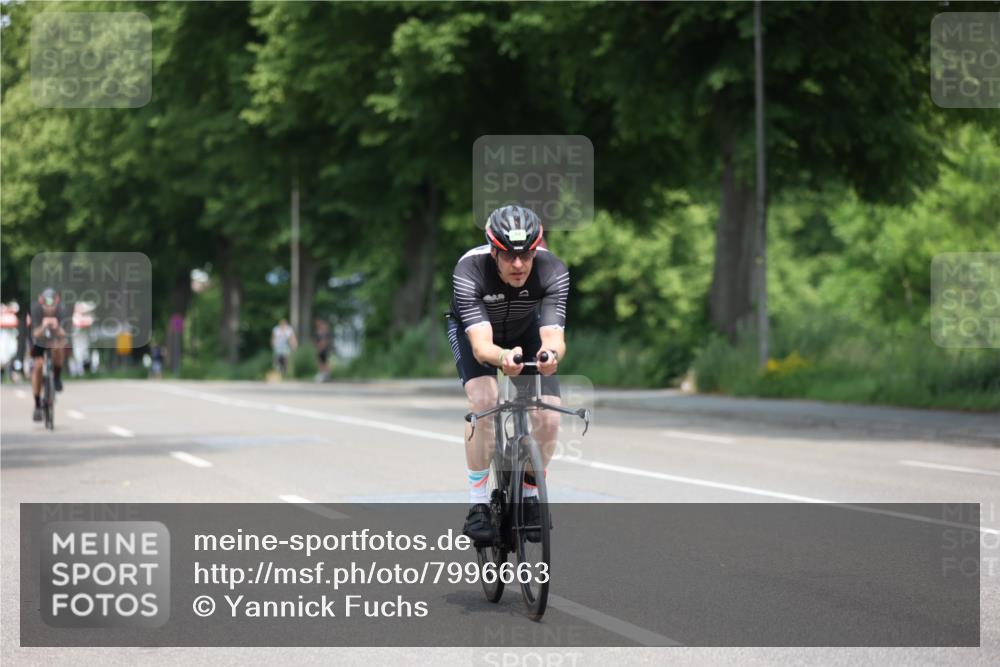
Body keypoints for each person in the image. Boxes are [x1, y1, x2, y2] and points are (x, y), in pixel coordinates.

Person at [448, 205, 569, 543]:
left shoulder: (552, 269)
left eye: (526, 254)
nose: (519, 264)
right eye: (508, 256)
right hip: (478, 336)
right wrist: (503, 358)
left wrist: (549, 356)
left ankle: (530, 491)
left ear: (537, 249)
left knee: (549, 415)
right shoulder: (469, 270)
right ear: (492, 250)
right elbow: (482, 346)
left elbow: (554, 338)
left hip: (524, 330)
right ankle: (477, 506)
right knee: (485, 399)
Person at [29, 288, 71, 422]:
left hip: (55, 340)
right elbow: (34, 334)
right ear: (41, 303)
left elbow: (65, 334)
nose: (49, 309)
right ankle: (37, 405)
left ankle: (57, 378)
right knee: (38, 366)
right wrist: (44, 325)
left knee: (58, 347)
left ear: (56, 302)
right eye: (46, 306)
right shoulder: (35, 310)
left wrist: (56, 327)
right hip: (39, 341)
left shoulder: (62, 310)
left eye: (52, 305)